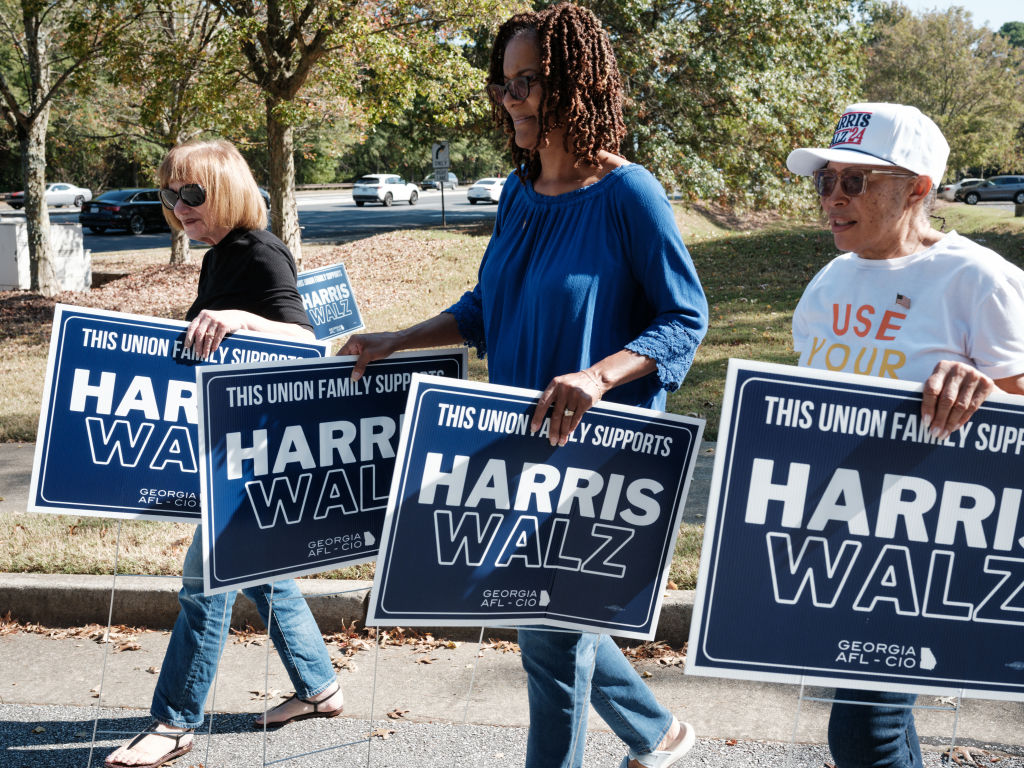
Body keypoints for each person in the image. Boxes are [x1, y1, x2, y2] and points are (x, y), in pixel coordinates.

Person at [339, 5, 707, 767]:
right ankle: (657, 732)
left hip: (592, 461)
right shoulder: (515, 192)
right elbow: (485, 306)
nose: (512, 99)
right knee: (549, 622)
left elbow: (684, 318)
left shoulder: (630, 194)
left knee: (547, 641)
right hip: (512, 449)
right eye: (505, 84)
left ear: (576, 85)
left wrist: (599, 375)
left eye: (530, 82)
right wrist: (401, 338)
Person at [786, 102, 1024, 768]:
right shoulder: (828, 283)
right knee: (885, 727)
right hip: (842, 547)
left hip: (929, 555)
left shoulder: (980, 281)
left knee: (865, 731)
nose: (832, 197)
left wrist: (990, 389)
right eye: (824, 180)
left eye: (854, 182)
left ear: (917, 187)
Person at [105, 140, 344, 768]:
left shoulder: (256, 250)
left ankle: (175, 723)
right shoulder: (220, 257)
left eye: (192, 193)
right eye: (170, 194)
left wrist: (240, 320)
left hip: (254, 452)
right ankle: (320, 687)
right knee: (261, 571)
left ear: (228, 190)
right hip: (237, 447)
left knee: (205, 582)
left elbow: (304, 338)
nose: (178, 206)